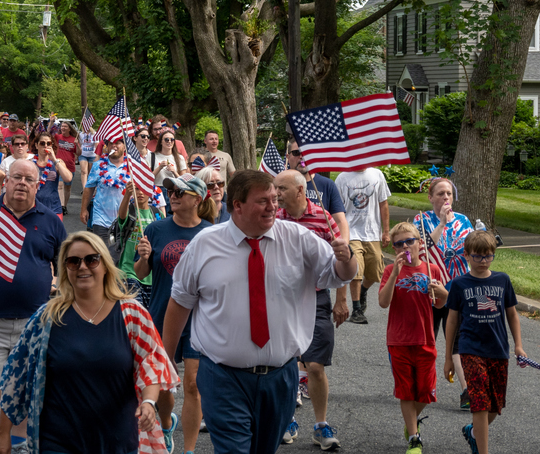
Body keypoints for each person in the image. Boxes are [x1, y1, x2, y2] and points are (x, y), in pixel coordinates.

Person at [162, 170, 357, 454]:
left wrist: (347, 257)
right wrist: (166, 358)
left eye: (274, 199)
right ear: (237, 205)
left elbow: (338, 275)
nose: (273, 206)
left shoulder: (298, 238)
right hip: (222, 376)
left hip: (281, 377)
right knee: (233, 449)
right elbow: (180, 302)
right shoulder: (205, 244)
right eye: (263, 200)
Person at [0, 231, 179, 454]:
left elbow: (152, 364)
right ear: (65, 269)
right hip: (57, 441)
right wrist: (2, 433)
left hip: (118, 441)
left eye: (92, 259)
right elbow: (16, 376)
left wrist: (148, 402)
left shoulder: (133, 314)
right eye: (73, 261)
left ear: (106, 265)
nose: (83, 267)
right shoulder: (46, 318)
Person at [0, 159, 67, 454]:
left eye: (29, 179)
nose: (23, 183)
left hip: (34, 321)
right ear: (6, 181)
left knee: (26, 386)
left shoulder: (51, 220)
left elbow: (66, 266)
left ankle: (18, 442)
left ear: (38, 185)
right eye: (17, 177)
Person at [135, 175, 213, 454]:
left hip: (198, 320)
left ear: (197, 199)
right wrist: (143, 258)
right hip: (161, 316)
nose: (172, 195)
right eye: (170, 190)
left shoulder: (210, 232)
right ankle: (167, 423)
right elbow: (141, 274)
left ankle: (189, 450)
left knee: (192, 385)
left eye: (180, 191)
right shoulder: (155, 229)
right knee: (165, 384)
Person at [273, 170, 350, 450]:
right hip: (282, 299)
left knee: (315, 364)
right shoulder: (273, 219)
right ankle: (288, 419)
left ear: (300, 191)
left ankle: (320, 425)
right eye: (275, 188)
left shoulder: (323, 218)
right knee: (286, 362)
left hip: (317, 298)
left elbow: (340, 261)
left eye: (282, 188)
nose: (276, 193)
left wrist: (342, 299)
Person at [444, 231, 525, 454]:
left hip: (498, 350)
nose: (483, 261)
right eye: (478, 256)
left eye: (488, 256)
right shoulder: (459, 284)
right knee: (479, 403)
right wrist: (448, 357)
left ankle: (472, 432)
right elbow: (452, 320)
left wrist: (518, 345)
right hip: (470, 350)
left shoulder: (502, 280)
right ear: (466, 255)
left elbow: (512, 314)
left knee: (494, 406)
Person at [377, 222, 448, 454]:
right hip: (398, 340)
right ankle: (414, 437)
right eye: (399, 244)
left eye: (410, 241)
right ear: (395, 249)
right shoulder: (390, 271)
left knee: (426, 391)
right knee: (406, 390)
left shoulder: (432, 269)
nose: (405, 246)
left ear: (419, 243)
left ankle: (411, 422)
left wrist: (441, 292)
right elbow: (383, 302)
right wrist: (395, 274)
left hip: (426, 339)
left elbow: (442, 304)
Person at [413, 176, 475, 408]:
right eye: (440, 193)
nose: (446, 197)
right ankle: (422, 387)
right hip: (430, 288)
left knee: (457, 341)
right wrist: (440, 224)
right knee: (428, 340)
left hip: (456, 289)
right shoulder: (421, 219)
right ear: (430, 198)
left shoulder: (463, 220)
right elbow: (421, 251)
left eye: (448, 193)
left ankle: (467, 391)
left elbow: (471, 249)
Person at [335, 167, 391, 324]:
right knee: (356, 270)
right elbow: (336, 207)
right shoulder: (342, 177)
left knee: (375, 272)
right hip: (351, 231)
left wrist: (386, 232)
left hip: (372, 232)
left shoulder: (377, 174)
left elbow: (383, 204)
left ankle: (364, 291)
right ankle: (357, 309)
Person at [80, 137, 128, 246]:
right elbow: (89, 188)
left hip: (125, 219)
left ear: (124, 147)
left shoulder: (132, 168)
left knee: (120, 255)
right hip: (101, 218)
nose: (114, 146)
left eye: (118, 143)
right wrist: (84, 209)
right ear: (107, 147)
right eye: (111, 143)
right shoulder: (98, 165)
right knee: (103, 252)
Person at [115, 183, 155, 308]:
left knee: (148, 318)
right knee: (135, 311)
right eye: (137, 189)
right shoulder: (130, 211)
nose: (140, 193)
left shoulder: (157, 213)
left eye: (143, 189)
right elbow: (122, 216)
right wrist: (127, 194)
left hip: (151, 277)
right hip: (129, 273)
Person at [286, 139, 346, 222]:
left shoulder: (327, 185)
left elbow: (340, 221)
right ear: (288, 157)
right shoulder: (279, 186)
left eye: (307, 152)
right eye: (296, 153)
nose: (302, 156)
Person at [29, 131, 73, 219]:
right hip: (33, 208)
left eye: (48, 143)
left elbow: (68, 178)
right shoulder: (30, 163)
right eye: (42, 143)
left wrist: (54, 160)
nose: (45, 146)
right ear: (37, 145)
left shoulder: (58, 162)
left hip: (54, 208)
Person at [54, 121, 81, 210]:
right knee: (60, 185)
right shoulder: (57, 137)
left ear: (69, 129)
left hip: (70, 166)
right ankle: (61, 206)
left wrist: (77, 144)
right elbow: (48, 131)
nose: (63, 128)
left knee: (67, 188)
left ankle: (64, 205)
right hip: (59, 165)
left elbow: (78, 153)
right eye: (62, 126)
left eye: (65, 126)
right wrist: (51, 122)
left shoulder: (74, 139)